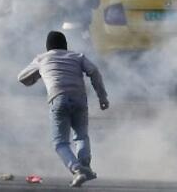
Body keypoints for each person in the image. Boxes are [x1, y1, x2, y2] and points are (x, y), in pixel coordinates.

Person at [18, 31, 109, 188]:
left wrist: (38, 75)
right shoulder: (77, 56)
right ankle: (85, 166)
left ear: (48, 47)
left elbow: (22, 77)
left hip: (58, 98)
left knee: (60, 142)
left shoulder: (42, 58)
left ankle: (77, 169)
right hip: (80, 98)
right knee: (81, 136)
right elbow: (94, 71)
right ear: (65, 46)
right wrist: (102, 97)